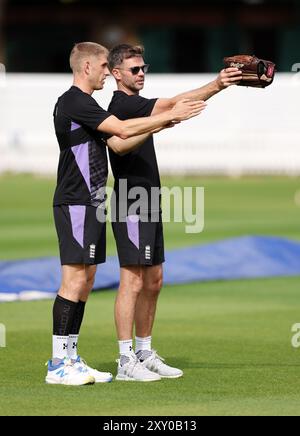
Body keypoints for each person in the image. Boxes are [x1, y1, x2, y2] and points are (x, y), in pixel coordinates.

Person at [46, 41, 205, 386]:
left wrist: (161, 122)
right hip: (76, 201)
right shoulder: (74, 101)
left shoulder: (85, 104)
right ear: (87, 67)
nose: (107, 72)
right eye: (104, 66)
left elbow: (119, 139)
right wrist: (169, 116)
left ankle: (71, 358)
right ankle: (58, 363)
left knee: (86, 281)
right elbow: (121, 131)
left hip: (93, 203)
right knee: (73, 281)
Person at [107, 44, 242, 382]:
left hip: (148, 199)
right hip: (130, 200)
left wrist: (212, 89)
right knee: (132, 280)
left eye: (143, 68)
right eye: (134, 69)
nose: (141, 74)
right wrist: (218, 85)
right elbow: (171, 104)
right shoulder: (122, 104)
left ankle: (144, 351)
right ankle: (125, 360)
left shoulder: (137, 104)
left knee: (154, 280)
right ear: (116, 74)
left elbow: (170, 109)